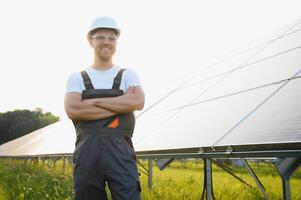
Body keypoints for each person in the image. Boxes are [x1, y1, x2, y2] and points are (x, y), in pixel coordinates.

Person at [64, 16, 145, 200]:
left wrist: (92, 102)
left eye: (112, 37)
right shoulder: (77, 77)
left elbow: (138, 102)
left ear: (117, 41)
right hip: (87, 153)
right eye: (101, 37)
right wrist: (122, 103)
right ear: (90, 40)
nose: (106, 42)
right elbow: (73, 109)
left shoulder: (127, 74)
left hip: (121, 152)